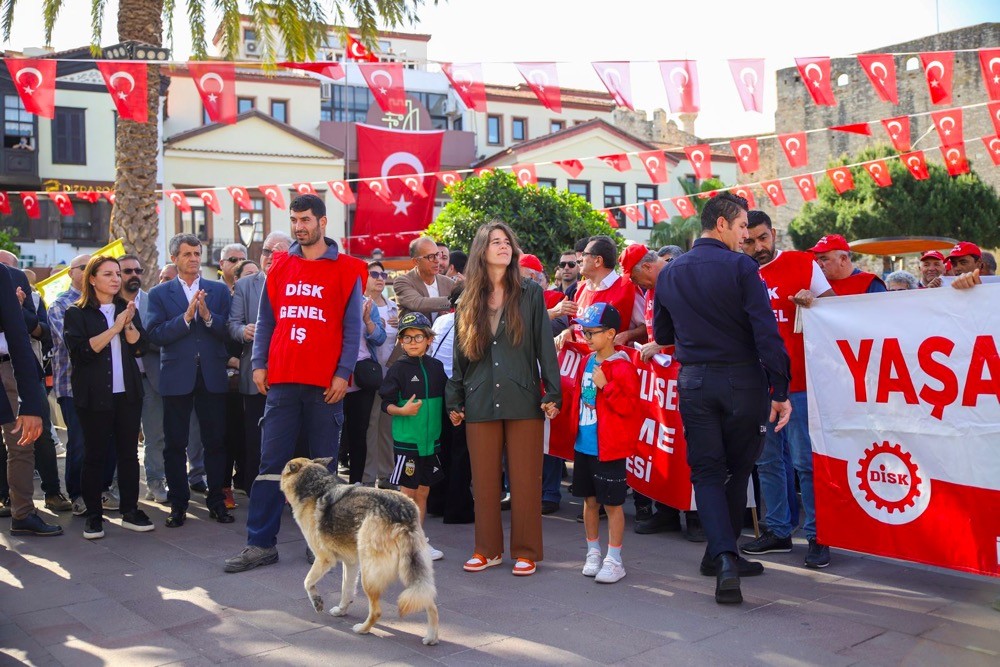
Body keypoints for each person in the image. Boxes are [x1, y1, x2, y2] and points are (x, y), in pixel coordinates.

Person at [653, 193, 791, 604]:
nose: (746, 235)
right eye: (743, 226)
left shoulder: (671, 272)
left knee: (709, 472)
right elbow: (766, 331)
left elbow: (662, 336)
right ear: (722, 225)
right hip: (742, 381)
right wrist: (780, 389)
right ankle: (725, 554)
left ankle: (723, 556)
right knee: (737, 468)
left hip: (695, 380)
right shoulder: (742, 267)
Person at [224, 194, 366, 573]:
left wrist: (343, 372)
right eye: (294, 220)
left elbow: (352, 329)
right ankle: (260, 543)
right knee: (271, 465)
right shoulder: (280, 267)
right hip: (282, 381)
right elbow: (266, 321)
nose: (299, 226)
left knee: (324, 468)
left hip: (325, 384)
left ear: (322, 222)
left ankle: (324, 544)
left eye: (305, 219)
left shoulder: (349, 269)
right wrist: (258, 364)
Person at [447, 221, 561, 577]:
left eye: (507, 241)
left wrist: (552, 390)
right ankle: (487, 550)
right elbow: (460, 354)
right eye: (495, 242)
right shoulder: (468, 297)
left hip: (524, 398)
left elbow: (544, 345)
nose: (503, 247)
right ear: (482, 250)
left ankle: (526, 551)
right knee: (483, 482)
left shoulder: (529, 293)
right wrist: (455, 399)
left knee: (526, 480)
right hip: (479, 399)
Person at [740, 210, 835, 570]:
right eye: (749, 240)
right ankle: (778, 531)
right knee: (766, 460)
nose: (758, 247)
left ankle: (817, 535)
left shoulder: (801, 263)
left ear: (773, 233)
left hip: (799, 385)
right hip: (759, 387)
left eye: (763, 238)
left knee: (804, 462)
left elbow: (833, 311)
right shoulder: (740, 271)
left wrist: (815, 301)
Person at [147, 234, 234, 528]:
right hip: (176, 377)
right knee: (175, 443)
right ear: (174, 258)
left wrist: (208, 316)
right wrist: (186, 318)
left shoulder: (218, 291)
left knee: (215, 442)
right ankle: (179, 505)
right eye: (187, 254)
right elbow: (155, 334)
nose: (194, 258)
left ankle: (217, 502)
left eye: (197, 253)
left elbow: (229, 332)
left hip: (211, 376)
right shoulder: (160, 294)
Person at [63, 256, 152, 539]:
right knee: (95, 455)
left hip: (128, 394)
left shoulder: (127, 308)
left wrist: (127, 326)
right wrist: (114, 328)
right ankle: (94, 516)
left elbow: (141, 348)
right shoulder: (76, 313)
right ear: (92, 278)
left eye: (117, 274)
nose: (116, 279)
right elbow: (82, 353)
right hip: (94, 396)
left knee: (128, 454)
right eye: (108, 274)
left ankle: (130, 510)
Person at [620, 244, 702, 541]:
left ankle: (696, 516)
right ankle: (667, 511)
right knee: (663, 446)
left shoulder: (679, 282)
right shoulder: (654, 288)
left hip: (688, 377)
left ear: (646, 267)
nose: (634, 286)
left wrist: (664, 346)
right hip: (663, 381)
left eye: (633, 278)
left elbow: (697, 330)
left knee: (688, 446)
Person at [569, 303, 642, 584]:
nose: (586, 337)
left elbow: (629, 407)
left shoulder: (622, 366)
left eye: (592, 332)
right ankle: (593, 551)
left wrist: (606, 386)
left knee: (612, 504)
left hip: (608, 447)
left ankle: (614, 558)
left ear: (611, 333)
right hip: (584, 444)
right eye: (583, 331)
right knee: (589, 502)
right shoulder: (588, 360)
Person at [0, 250, 70, 514]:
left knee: (30, 438)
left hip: (15, 369)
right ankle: (6, 498)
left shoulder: (19, 284)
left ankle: (42, 499)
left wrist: (14, 309)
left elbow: (40, 332)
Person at [380, 312, 447, 561]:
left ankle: (418, 541)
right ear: (401, 342)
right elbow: (385, 403)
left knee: (422, 491)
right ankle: (401, 542)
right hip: (407, 442)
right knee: (406, 493)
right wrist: (402, 410)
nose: (413, 341)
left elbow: (447, 397)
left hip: (431, 442)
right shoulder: (398, 369)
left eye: (418, 336)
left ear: (429, 339)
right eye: (407, 338)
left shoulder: (437, 367)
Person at [228, 232, 291, 494]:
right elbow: (231, 325)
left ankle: (287, 489)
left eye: (278, 252)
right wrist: (244, 331)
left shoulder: (298, 283)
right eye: (266, 251)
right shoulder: (245, 285)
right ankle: (256, 488)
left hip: (289, 373)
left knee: (288, 436)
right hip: (256, 372)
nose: (270, 257)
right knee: (255, 434)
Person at [0, 262, 53, 535]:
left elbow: (26, 332)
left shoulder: (11, 276)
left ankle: (23, 513)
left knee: (21, 444)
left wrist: (16, 309)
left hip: (9, 369)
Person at [519, 254, 570, 515]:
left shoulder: (556, 299)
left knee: (549, 440)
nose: (522, 283)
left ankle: (550, 492)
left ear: (540, 280)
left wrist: (540, 317)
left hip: (545, 379)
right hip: (517, 380)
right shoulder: (509, 300)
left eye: (527, 278)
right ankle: (515, 491)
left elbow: (556, 328)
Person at [118, 254, 168, 504]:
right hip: (119, 380)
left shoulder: (152, 301)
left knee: (155, 434)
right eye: (127, 271)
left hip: (150, 378)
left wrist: (144, 339)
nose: (134, 275)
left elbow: (161, 337)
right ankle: (117, 485)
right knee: (121, 435)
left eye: (138, 270)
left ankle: (156, 482)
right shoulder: (108, 303)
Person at [47, 254, 91, 516]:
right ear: (70, 273)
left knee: (101, 441)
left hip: (102, 384)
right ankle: (77, 493)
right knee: (79, 441)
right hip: (71, 384)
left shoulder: (102, 302)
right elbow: (71, 344)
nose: (89, 272)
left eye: (92, 267)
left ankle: (98, 490)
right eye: (84, 268)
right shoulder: (59, 304)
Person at [428, 284, 474, 524]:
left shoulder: (441, 322)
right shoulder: (468, 325)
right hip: (459, 389)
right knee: (460, 451)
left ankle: (437, 501)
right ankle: (458, 507)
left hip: (438, 389)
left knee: (441, 448)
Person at [343, 275, 387, 485]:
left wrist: (368, 320)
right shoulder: (332, 302)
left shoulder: (367, 304)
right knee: (334, 433)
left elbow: (379, 338)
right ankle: (328, 485)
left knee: (359, 432)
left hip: (362, 376)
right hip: (335, 376)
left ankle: (356, 483)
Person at [564, 236, 645, 347]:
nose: (579, 260)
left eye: (584, 255)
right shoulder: (580, 288)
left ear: (598, 260)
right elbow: (579, 325)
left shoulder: (628, 288)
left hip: (615, 360)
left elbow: (647, 327)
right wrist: (568, 331)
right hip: (584, 362)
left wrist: (627, 335)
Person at [362, 261, 400, 488]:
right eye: (373, 274)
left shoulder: (395, 307)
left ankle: (387, 475)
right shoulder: (361, 305)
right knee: (371, 426)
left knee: (387, 426)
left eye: (382, 274)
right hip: (369, 374)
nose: (379, 278)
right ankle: (367, 476)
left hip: (392, 375)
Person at [809, 235, 886, 295]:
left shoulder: (870, 284)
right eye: (816, 260)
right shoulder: (815, 285)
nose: (818, 264)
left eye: (824, 259)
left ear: (843, 259)